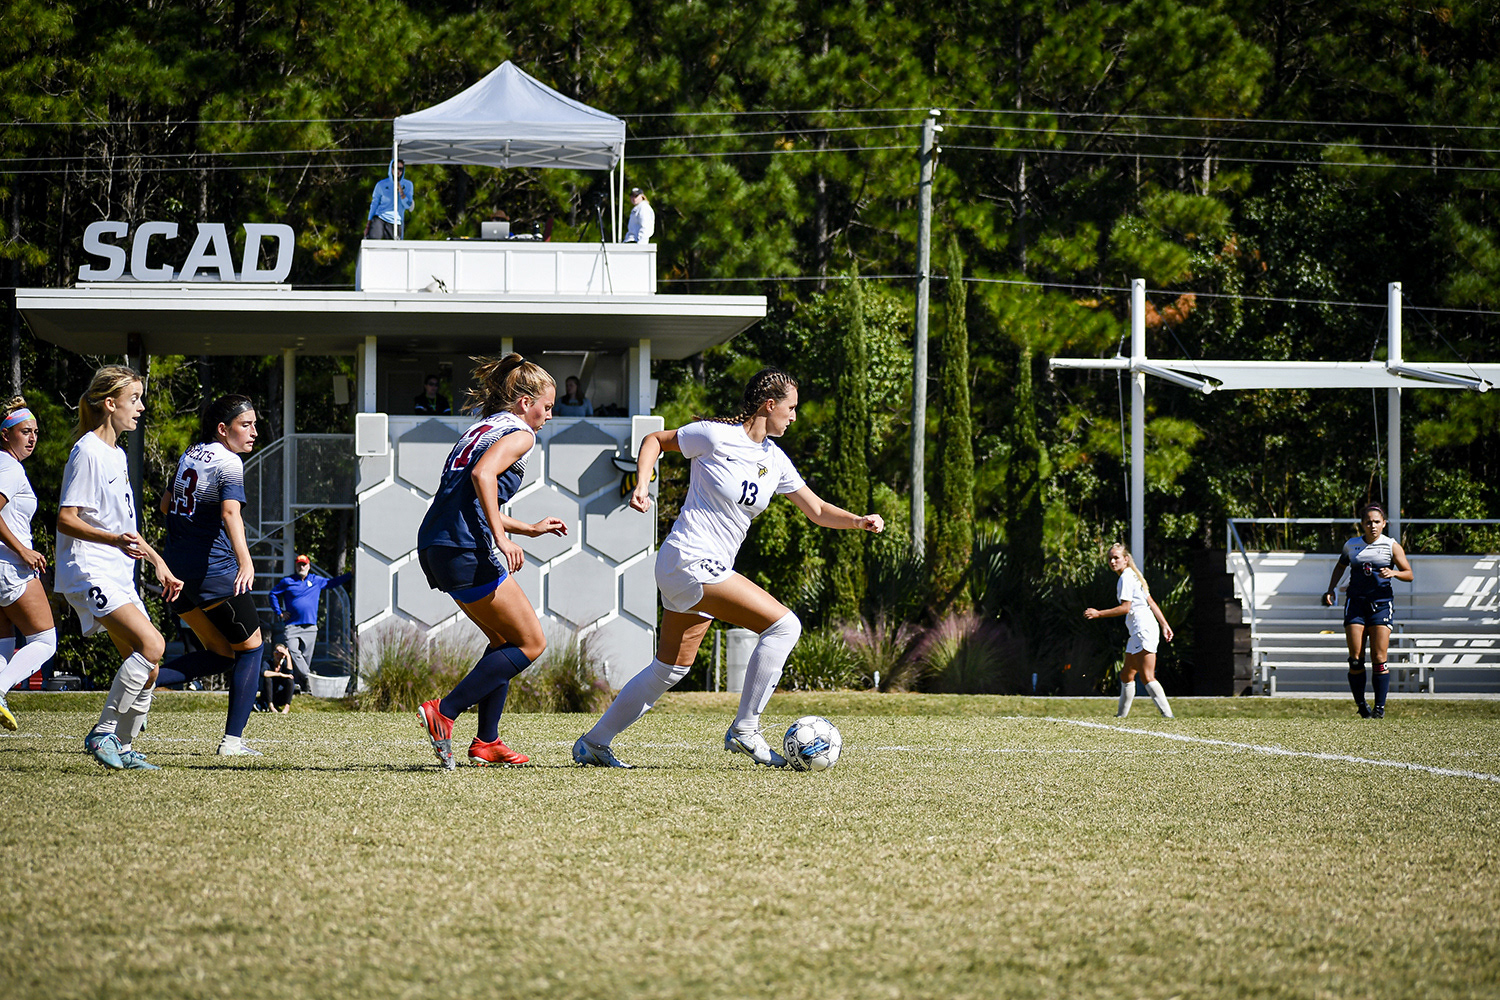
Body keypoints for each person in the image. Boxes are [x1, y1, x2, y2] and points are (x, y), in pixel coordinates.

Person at [573, 367, 884, 769]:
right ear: (769, 405)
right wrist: (642, 485)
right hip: (689, 558)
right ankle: (745, 729)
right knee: (784, 626)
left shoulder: (775, 460)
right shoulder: (715, 436)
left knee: (669, 669)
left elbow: (818, 510)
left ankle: (594, 743)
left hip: (698, 569)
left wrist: (858, 520)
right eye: (790, 408)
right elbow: (654, 440)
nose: (794, 416)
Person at [414, 354, 568, 770]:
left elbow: (467, 499)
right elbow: (483, 476)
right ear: (525, 403)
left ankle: (487, 741)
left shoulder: (482, 428)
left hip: (437, 544)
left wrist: (527, 529)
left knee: (504, 640)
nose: (549, 416)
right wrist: (502, 539)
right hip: (465, 546)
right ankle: (444, 711)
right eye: (547, 407)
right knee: (531, 643)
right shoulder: (520, 434)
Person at [56, 365, 183, 770]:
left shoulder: (117, 454)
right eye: (135, 399)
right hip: (88, 570)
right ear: (110, 404)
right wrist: (112, 541)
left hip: (118, 573)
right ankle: (103, 733)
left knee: (150, 668)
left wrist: (159, 562)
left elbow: (123, 527)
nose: (141, 407)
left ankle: (124, 749)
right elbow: (66, 519)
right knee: (153, 645)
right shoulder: (87, 451)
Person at [153, 394, 267, 756]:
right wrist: (245, 561)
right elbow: (230, 514)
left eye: (254, 424)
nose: (254, 432)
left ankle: (143, 680)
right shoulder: (229, 461)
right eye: (245, 425)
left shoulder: (191, 453)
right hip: (212, 572)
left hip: (176, 572)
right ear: (222, 429)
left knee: (220, 653)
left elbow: (165, 505)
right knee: (252, 649)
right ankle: (233, 742)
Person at [0, 397, 59, 731]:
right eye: (25, 431)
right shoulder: (10, 468)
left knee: (4, 644)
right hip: (10, 566)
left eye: (35, 431)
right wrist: (23, 550)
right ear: (5, 434)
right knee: (44, 641)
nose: (32, 438)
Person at [1322, 502, 1413, 719]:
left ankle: (1379, 708)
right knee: (1355, 658)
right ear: (1362, 524)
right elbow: (1340, 566)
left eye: (1376, 522)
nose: (1372, 526)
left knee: (1379, 657)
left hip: (1380, 605)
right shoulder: (1352, 545)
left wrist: (1394, 573)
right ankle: (1362, 706)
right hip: (1356, 604)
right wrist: (1331, 589)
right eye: (1368, 522)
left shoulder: (1391, 546)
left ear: (1384, 524)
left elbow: (1409, 574)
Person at [1084, 543, 1175, 719]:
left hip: (1143, 629)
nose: (1112, 561)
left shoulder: (1126, 577)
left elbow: (1125, 608)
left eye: (1116, 558)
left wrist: (1098, 613)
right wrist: (1164, 625)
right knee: (1126, 674)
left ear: (1126, 559)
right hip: (1140, 630)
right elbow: (1151, 602)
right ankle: (1121, 717)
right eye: (1110, 559)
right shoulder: (1132, 575)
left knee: (1147, 676)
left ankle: (1168, 716)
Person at [269, 555, 352, 692]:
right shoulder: (287, 581)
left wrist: (350, 574)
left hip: (310, 627)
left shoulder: (316, 580)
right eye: (299, 564)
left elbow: (332, 583)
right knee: (293, 651)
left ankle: (304, 686)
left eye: (304, 564)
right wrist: (280, 612)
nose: (301, 567)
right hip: (292, 625)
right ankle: (309, 676)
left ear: (309, 566)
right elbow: (273, 594)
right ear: (296, 566)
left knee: (306, 658)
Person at [365, 159, 414, 240]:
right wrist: (369, 222)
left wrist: (401, 191)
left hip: (396, 221)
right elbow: (374, 204)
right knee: (373, 240)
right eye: (395, 168)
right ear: (391, 168)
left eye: (400, 169)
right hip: (381, 217)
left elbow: (407, 205)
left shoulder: (408, 185)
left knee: (392, 246)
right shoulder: (381, 184)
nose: (398, 171)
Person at [261, 643, 295, 713]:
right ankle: (271, 706)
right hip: (269, 694)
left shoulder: (285, 663)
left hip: (281, 695)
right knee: (267, 679)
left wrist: (288, 656)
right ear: (273, 653)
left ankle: (287, 707)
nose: (279, 655)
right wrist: (280, 674)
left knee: (290, 680)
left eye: (281, 653)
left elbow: (290, 673)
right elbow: (264, 673)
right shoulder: (268, 663)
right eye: (277, 653)